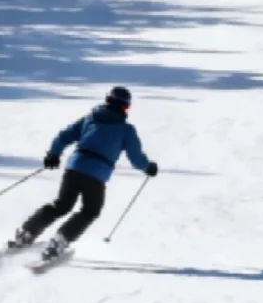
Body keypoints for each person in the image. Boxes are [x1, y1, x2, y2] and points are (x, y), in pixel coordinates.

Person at [10, 85, 158, 261]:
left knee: (61, 205)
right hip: (96, 174)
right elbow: (136, 157)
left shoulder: (90, 119)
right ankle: (60, 240)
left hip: (74, 167)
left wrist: (53, 154)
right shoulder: (126, 130)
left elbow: (64, 136)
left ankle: (26, 233)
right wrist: (148, 167)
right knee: (90, 210)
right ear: (125, 107)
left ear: (107, 100)